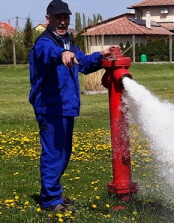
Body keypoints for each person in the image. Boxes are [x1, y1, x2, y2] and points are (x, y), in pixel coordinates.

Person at [29, 0, 117, 212]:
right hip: (50, 108)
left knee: (63, 153)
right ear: (48, 19)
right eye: (58, 17)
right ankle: (51, 201)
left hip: (65, 107)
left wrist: (100, 56)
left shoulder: (68, 42)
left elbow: (83, 64)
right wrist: (61, 54)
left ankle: (52, 194)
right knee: (54, 154)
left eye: (65, 17)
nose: (62, 21)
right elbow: (49, 53)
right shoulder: (45, 42)